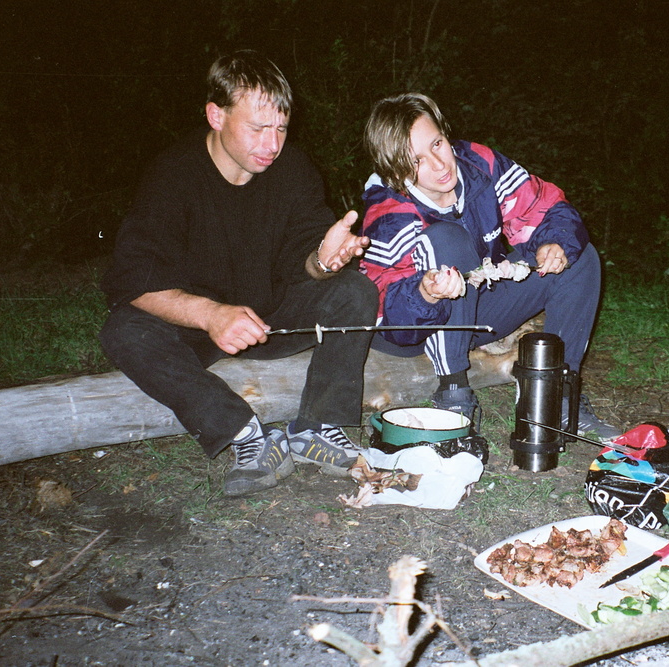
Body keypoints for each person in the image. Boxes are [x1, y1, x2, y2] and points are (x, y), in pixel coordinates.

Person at [99, 50, 378, 498]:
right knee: (124, 331)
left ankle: (319, 428)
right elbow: (132, 277)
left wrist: (323, 262)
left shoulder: (293, 169)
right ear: (216, 115)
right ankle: (248, 435)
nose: (272, 144)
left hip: (270, 317)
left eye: (281, 128)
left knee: (353, 291)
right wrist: (211, 315)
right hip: (198, 327)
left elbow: (301, 260)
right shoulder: (174, 174)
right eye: (257, 128)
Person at [358, 92, 619, 440]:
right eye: (417, 160)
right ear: (395, 168)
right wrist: (425, 293)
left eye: (437, 143)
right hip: (416, 328)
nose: (438, 163)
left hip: (480, 307)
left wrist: (554, 241)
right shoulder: (389, 211)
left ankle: (557, 393)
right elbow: (389, 319)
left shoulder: (478, 165)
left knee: (579, 258)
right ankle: (453, 394)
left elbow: (545, 205)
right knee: (447, 239)